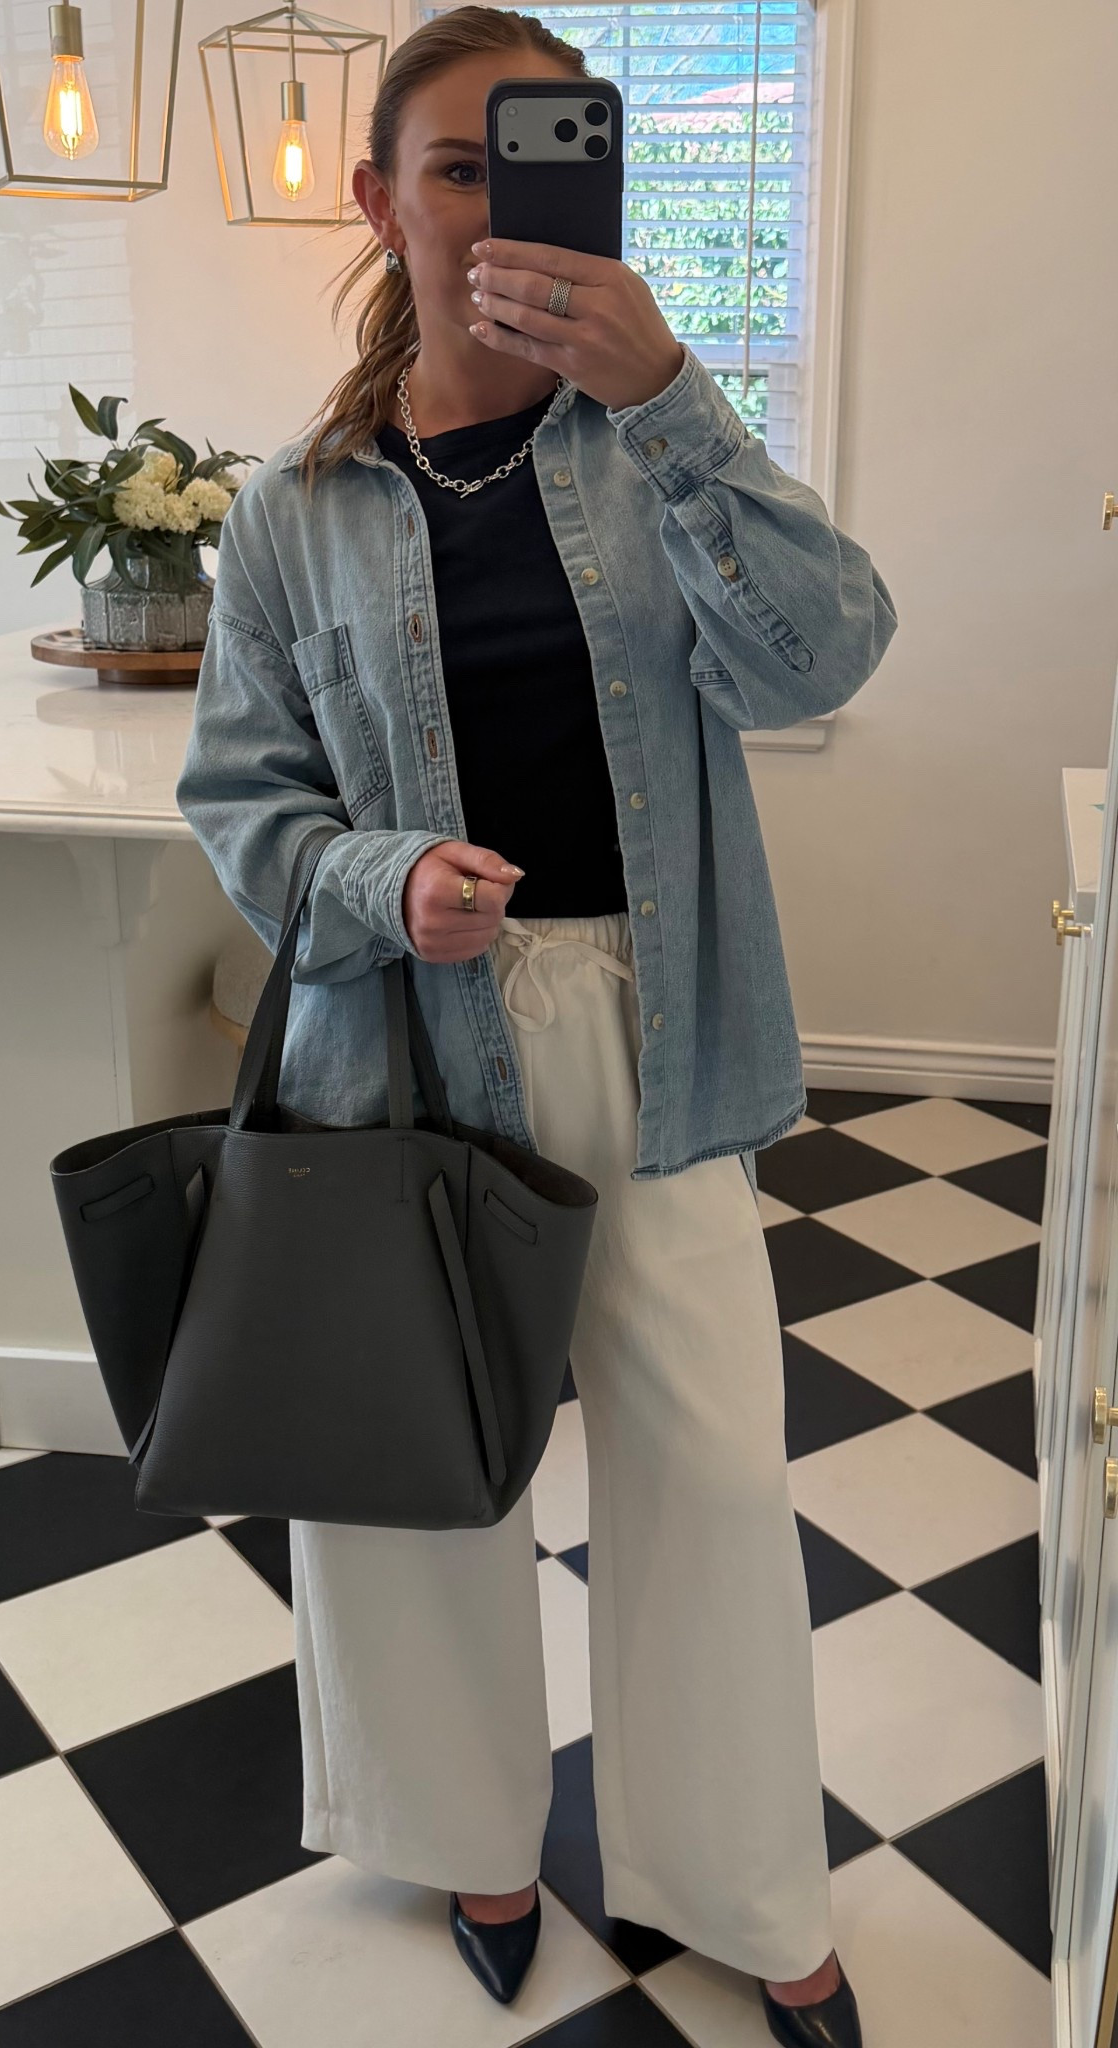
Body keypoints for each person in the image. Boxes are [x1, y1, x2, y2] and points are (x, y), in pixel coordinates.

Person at [175, 9, 898, 2043]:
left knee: (715, 1477)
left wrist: (666, 386)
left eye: (546, 157)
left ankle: (737, 1878)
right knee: (415, 1478)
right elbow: (245, 799)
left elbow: (828, 645)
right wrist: (372, 883)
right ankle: (472, 1837)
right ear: (379, 197)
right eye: (460, 164)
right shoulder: (292, 507)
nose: (499, 203)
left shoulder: (660, 442)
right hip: (404, 1044)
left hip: (657, 1037)